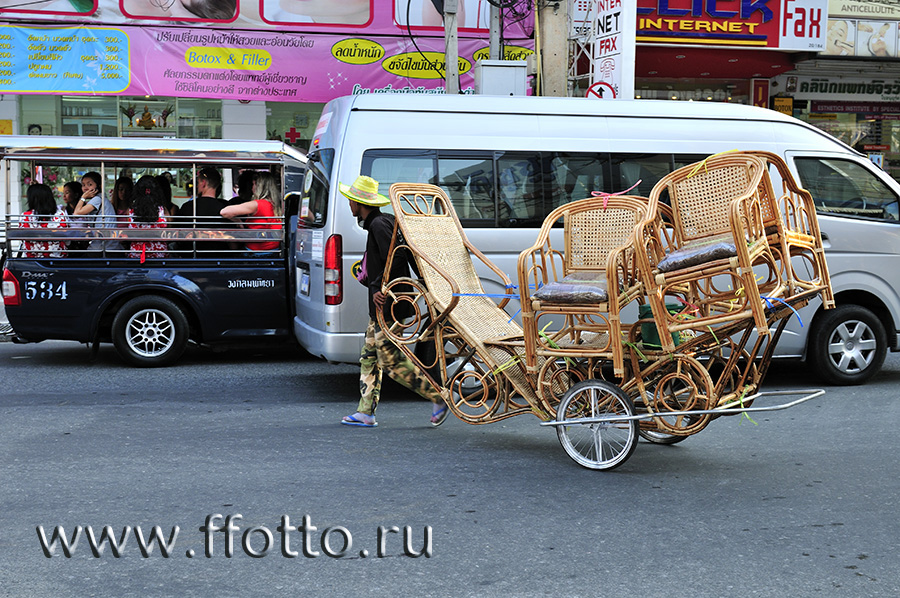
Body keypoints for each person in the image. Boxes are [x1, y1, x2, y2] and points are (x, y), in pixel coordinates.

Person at [339, 175, 448, 428]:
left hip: (390, 304)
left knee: (389, 360)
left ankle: (438, 396)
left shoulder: (379, 225)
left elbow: (396, 258)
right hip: (384, 305)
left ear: (358, 203)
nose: (349, 205)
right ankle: (365, 412)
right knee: (369, 356)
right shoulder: (381, 221)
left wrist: (379, 287)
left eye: (350, 201)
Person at [220, 171, 280, 252]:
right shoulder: (274, 203)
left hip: (257, 252)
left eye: (253, 184)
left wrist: (237, 220)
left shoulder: (258, 204)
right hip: (273, 250)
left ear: (259, 187)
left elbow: (224, 212)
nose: (252, 188)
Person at [176, 167, 230, 252]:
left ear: (203, 183)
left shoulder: (188, 206)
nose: (196, 186)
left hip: (189, 257)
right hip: (219, 258)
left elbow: (178, 236)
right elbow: (234, 244)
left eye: (197, 183)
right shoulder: (227, 208)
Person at [21, 183, 69, 258]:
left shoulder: (25, 216)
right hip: (57, 257)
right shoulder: (60, 215)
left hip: (32, 258)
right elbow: (66, 238)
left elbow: (22, 237)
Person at [73, 171, 117, 253]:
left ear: (99, 186)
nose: (85, 188)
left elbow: (76, 213)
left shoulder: (97, 199)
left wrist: (83, 197)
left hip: (103, 246)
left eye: (90, 185)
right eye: (83, 185)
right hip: (105, 242)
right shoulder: (101, 198)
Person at [127, 176, 168, 261]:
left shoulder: (131, 210)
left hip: (137, 252)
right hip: (159, 252)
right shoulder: (161, 209)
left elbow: (129, 229)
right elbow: (168, 225)